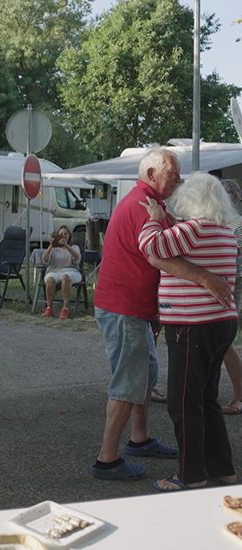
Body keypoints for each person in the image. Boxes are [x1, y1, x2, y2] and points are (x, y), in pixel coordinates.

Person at [90, 148, 231, 481]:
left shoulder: (154, 204)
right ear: (151, 174)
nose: (178, 180)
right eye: (173, 173)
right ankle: (106, 459)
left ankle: (139, 439)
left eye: (180, 174)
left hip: (136, 307)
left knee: (145, 374)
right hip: (124, 307)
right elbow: (156, 255)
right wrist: (208, 279)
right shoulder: (145, 205)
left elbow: (169, 245)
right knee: (129, 381)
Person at [138, 172, 238, 490]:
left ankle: (190, 476)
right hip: (220, 322)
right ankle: (222, 469)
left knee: (182, 401)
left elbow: (150, 247)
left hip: (191, 324)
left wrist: (154, 218)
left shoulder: (194, 230)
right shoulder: (224, 231)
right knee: (206, 398)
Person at [220, 178, 242, 415]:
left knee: (225, 343)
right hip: (216, 287)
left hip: (232, 288)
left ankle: (240, 395)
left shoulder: (238, 224)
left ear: (234, 198)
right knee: (216, 343)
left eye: (223, 194)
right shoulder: (217, 221)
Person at [41, 225, 82, 319]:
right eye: (60, 234)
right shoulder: (54, 249)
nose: (63, 236)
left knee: (65, 276)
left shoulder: (74, 247)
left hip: (71, 270)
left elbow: (77, 258)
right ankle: (49, 308)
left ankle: (65, 309)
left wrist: (67, 246)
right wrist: (51, 245)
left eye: (65, 234)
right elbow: (45, 259)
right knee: (50, 279)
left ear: (69, 236)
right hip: (55, 270)